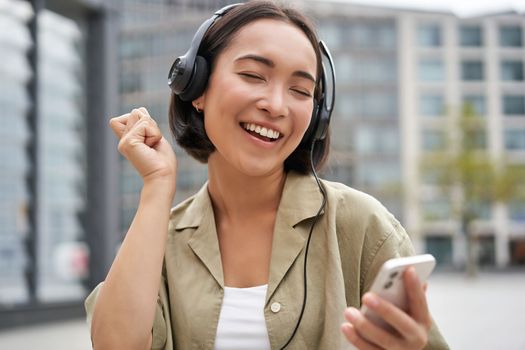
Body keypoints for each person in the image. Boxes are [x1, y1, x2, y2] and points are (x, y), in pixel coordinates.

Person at [85, 1, 449, 349]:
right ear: (196, 88)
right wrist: (157, 185)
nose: (275, 105)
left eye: (300, 90)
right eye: (253, 75)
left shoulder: (362, 226)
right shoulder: (158, 243)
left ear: (317, 117)